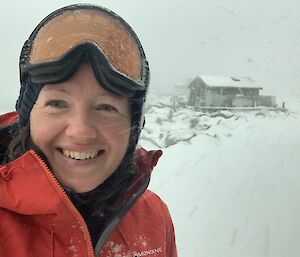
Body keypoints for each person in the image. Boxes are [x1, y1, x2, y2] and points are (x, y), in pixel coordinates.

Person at [0, 4, 177, 257]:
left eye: (105, 107)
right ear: (28, 117)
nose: (81, 132)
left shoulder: (154, 217)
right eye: (57, 103)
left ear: (133, 128)